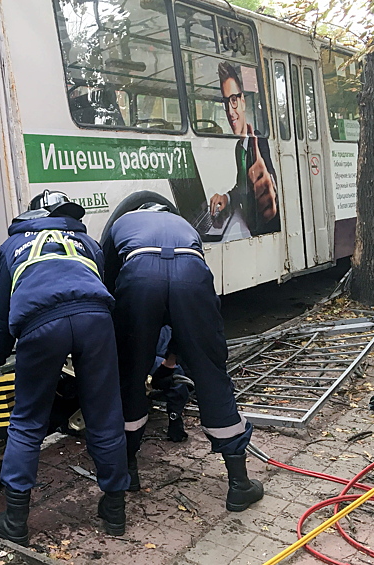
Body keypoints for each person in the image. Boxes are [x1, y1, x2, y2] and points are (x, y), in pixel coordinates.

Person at [0, 190, 129, 544]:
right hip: (95, 319)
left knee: (28, 419)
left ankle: (15, 521)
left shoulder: (11, 247)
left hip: (40, 323)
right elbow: (99, 287)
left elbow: (1, 313)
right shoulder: (87, 242)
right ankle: (115, 512)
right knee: (104, 412)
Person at [102, 202, 264, 512]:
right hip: (191, 275)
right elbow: (187, 310)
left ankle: (128, 472)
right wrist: (175, 357)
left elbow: (108, 281)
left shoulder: (122, 223)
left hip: (138, 277)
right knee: (211, 375)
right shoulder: (183, 225)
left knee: (129, 377)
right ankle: (239, 484)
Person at [209, 62, 280, 237]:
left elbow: (268, 180)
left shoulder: (259, 142)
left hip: (263, 230)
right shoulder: (239, 147)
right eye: (226, 103)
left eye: (233, 100)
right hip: (248, 225)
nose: (230, 111)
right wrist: (226, 197)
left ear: (243, 102)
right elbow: (242, 187)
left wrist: (270, 191)